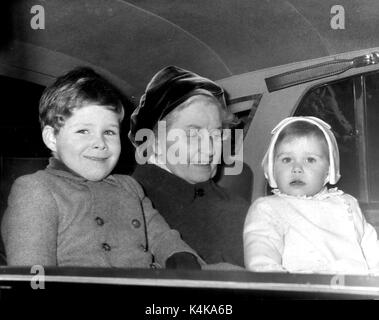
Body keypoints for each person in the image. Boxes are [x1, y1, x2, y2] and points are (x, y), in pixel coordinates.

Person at [1, 67, 202, 269]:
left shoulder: (129, 187)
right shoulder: (37, 189)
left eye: (109, 132)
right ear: (52, 138)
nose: (100, 143)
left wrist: (180, 256)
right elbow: (31, 275)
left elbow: (161, 236)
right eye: (83, 131)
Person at [129, 66, 249, 267]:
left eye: (216, 134)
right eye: (193, 134)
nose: (210, 149)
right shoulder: (129, 203)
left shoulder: (238, 206)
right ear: (155, 140)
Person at [244, 116, 379, 274]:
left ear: (329, 170)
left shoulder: (347, 203)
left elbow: (372, 251)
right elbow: (262, 259)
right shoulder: (267, 208)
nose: (297, 168)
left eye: (310, 159)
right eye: (287, 159)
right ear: (272, 168)